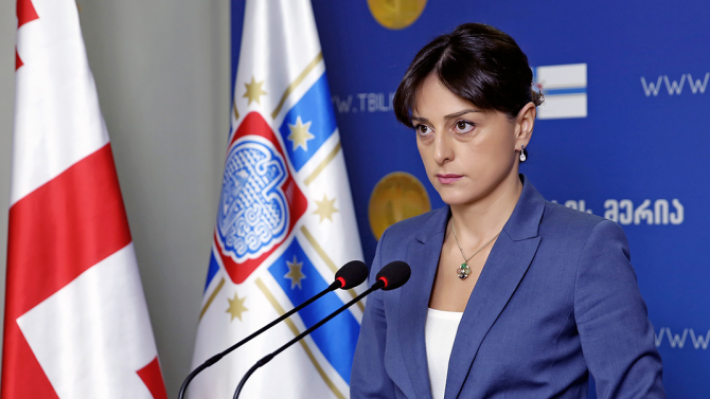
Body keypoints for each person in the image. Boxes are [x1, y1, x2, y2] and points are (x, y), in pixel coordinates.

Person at [350, 23, 664, 399]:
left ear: (523, 127)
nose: (439, 153)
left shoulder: (584, 249)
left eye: (463, 125)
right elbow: (371, 393)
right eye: (424, 129)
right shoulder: (398, 246)